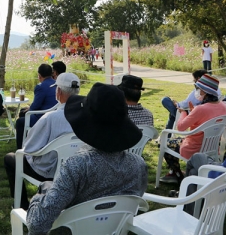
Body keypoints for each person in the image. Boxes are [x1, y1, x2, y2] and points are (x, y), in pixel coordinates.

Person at [25, 83, 148, 235]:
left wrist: (38, 197)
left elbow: (37, 225)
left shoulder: (77, 166)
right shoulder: (138, 165)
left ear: (85, 122)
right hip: (114, 230)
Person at [4, 72, 80, 210]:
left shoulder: (50, 118)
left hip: (49, 172)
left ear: (59, 92)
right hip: (76, 170)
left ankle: (21, 205)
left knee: (11, 158)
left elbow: (29, 148)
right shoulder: (88, 115)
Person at [160, 74, 226, 184]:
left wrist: (183, 112)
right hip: (213, 147)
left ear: (204, 91)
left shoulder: (201, 109)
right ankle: (178, 175)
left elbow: (181, 127)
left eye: (198, 88)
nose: (196, 91)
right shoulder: (223, 106)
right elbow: (208, 119)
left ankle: (178, 176)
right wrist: (193, 112)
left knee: (166, 143)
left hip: (193, 148)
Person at [15, 64, 57, 149]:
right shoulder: (57, 84)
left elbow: (36, 106)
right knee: (24, 112)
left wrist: (30, 108)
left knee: (20, 121)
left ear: (39, 75)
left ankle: (21, 147)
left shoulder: (41, 87)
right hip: (54, 114)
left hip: (42, 117)